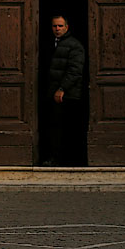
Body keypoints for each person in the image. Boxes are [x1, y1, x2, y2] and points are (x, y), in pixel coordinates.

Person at [42, 15, 86, 167]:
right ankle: (55, 158)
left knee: (65, 128)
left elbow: (75, 71)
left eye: (60, 26)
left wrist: (62, 89)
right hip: (53, 93)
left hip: (68, 95)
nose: (57, 29)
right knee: (54, 126)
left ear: (67, 27)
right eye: (55, 26)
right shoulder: (52, 44)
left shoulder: (74, 45)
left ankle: (68, 159)